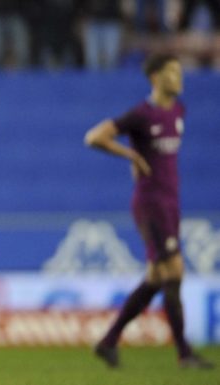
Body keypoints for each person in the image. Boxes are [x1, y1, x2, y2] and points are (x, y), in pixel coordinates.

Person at [85, 54, 213, 369]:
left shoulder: (179, 111)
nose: (179, 77)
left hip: (170, 201)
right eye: (172, 72)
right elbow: (94, 137)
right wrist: (130, 155)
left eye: (180, 71)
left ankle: (109, 341)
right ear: (155, 77)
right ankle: (184, 354)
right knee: (174, 271)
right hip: (151, 203)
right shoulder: (142, 114)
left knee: (157, 278)